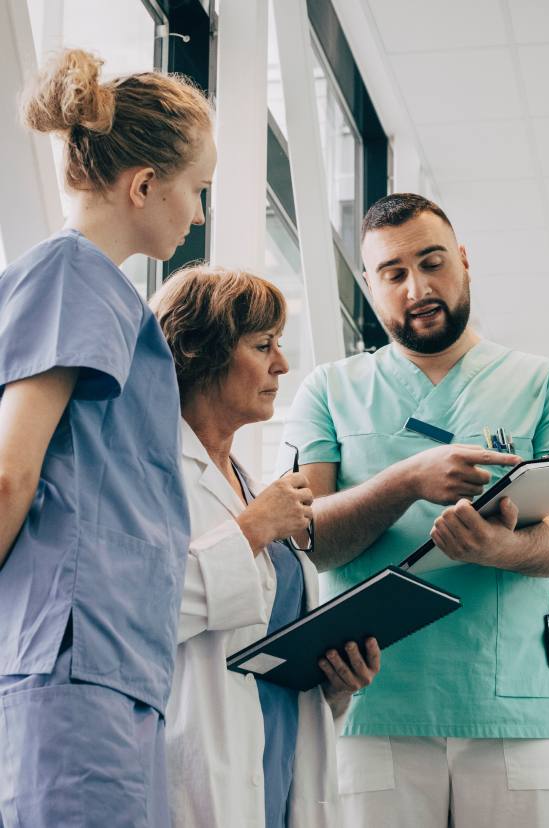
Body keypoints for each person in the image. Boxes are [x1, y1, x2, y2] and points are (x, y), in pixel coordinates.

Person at [276, 193, 549, 827]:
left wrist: (501, 549)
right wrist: (405, 479)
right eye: (394, 274)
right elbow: (308, 538)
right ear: (372, 288)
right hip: (372, 708)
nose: (418, 287)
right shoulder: (329, 391)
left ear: (462, 261)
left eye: (432, 263)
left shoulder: (545, 384)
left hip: (516, 710)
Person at [0, 49, 215, 827]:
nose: (197, 213)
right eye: (197, 189)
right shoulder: (71, 275)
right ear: (145, 184)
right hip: (74, 662)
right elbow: (7, 476)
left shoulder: (109, 298)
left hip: (111, 663)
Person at [151, 265, 381, 828]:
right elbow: (138, 607)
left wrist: (332, 683)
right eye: (263, 345)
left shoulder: (252, 482)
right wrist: (253, 529)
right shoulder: (152, 471)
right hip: (194, 774)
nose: (281, 364)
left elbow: (266, 653)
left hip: (278, 775)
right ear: (197, 352)